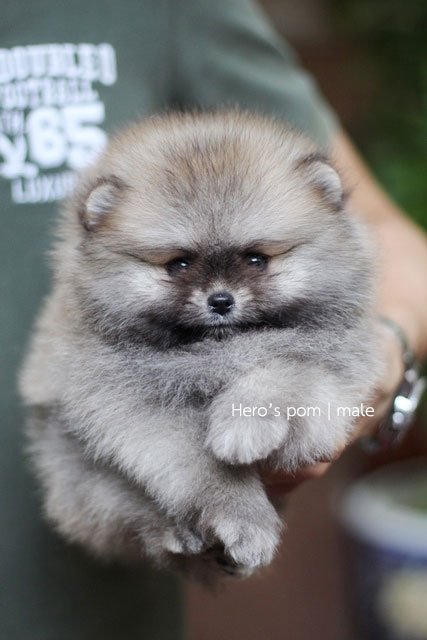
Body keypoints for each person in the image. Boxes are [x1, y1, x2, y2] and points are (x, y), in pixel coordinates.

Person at [1, 0, 426, 637]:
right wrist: (210, 487)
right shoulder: (104, 334)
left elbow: (393, 252)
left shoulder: (167, 11)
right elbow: (122, 419)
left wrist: (372, 359)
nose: (220, 293)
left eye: (257, 260)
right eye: (177, 265)